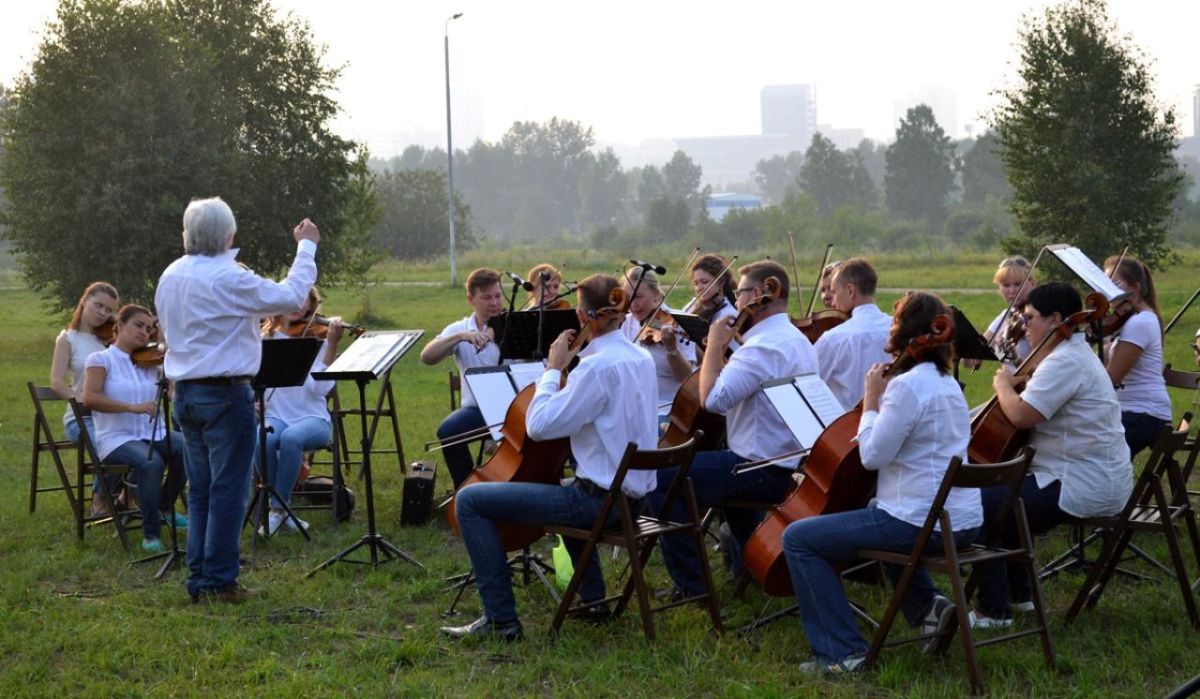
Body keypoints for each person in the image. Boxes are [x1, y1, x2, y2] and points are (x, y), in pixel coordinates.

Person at [440, 273, 658, 641]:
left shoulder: (595, 367)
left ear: (582, 314)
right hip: (635, 499)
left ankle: (500, 620)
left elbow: (539, 426)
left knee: (470, 500)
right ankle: (593, 600)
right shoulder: (640, 357)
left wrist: (553, 369)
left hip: (600, 504)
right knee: (564, 485)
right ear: (619, 311)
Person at [782, 292, 979, 674]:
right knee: (874, 509)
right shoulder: (946, 383)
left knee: (799, 539)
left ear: (905, 333)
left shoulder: (907, 387)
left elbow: (872, 456)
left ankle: (843, 653)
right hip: (964, 521)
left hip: (924, 523)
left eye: (895, 323)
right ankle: (928, 607)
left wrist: (871, 401)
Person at [156, 196, 319, 604]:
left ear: (187, 234)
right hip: (225, 393)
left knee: (201, 490)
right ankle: (218, 581)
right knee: (229, 489)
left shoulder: (171, 274)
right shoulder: (228, 277)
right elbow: (293, 296)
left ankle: (200, 576)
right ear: (229, 235)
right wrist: (307, 246)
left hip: (187, 393)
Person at [651, 260, 818, 597]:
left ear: (759, 294)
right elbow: (742, 385)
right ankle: (750, 567)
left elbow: (713, 401)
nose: (737, 300)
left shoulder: (761, 347)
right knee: (720, 473)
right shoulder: (795, 339)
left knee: (661, 479)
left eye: (740, 293)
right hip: (785, 462)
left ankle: (692, 586)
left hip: (760, 468)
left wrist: (713, 345)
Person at [971, 282, 1133, 627]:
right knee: (1007, 502)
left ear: (1056, 318)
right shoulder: (1067, 355)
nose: (1024, 326)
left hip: (1083, 481)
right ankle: (1020, 596)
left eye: (1030, 318)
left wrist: (1002, 384)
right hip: (1081, 473)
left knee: (980, 506)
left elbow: (1021, 415)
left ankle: (993, 610)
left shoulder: (1067, 361)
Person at [81, 304, 188, 552]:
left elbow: (171, 394)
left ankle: (163, 507)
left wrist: (169, 359)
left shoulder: (153, 361)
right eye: (138, 325)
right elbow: (90, 398)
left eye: (149, 328)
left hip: (154, 433)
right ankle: (151, 533)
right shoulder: (100, 359)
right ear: (119, 326)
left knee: (188, 448)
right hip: (116, 438)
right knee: (150, 462)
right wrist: (132, 407)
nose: (144, 332)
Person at [256, 287, 345, 535]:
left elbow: (321, 389)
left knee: (291, 438)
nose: (296, 303)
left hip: (313, 417)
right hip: (275, 415)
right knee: (260, 439)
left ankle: (277, 511)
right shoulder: (265, 339)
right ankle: (282, 512)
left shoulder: (318, 339)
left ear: (310, 306)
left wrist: (331, 346)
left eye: (303, 299)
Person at [420, 267, 506, 489]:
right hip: (478, 410)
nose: (495, 303)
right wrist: (459, 337)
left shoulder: (515, 323)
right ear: (471, 299)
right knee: (448, 431)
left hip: (519, 408)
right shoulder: (460, 328)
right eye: (487, 297)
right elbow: (427, 357)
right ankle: (468, 490)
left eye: (498, 295)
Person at [50, 281, 120, 515]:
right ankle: (101, 499)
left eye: (109, 310)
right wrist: (78, 398)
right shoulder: (67, 339)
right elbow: (57, 382)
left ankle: (131, 497)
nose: (103, 313)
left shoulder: (112, 339)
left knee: (141, 442)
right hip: (82, 418)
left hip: (113, 414)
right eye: (98, 305)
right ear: (84, 301)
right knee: (112, 446)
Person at [1102, 256, 1171, 458]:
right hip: (1135, 411)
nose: (1109, 290)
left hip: (1142, 415)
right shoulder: (1134, 321)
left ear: (1136, 287)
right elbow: (1112, 353)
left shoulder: (1139, 323)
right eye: (1106, 283)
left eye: (1116, 283)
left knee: (1087, 449)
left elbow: (1111, 379)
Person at [814, 257, 892, 411]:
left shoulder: (834, 339)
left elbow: (809, 383)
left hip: (847, 429)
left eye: (835, 292)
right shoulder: (898, 328)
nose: (833, 301)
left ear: (850, 290)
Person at [622, 267, 697, 422]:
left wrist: (672, 349)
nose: (633, 304)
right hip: (632, 407)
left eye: (638, 297)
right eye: (628, 298)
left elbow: (685, 378)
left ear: (656, 294)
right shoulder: (626, 323)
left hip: (667, 409)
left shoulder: (677, 323)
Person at [964, 256, 1037, 371]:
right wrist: (960, 347)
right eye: (1006, 285)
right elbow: (973, 361)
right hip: (1007, 385)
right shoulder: (1007, 315)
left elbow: (1042, 367)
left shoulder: (1038, 316)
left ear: (1032, 284)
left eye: (1018, 284)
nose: (1012, 291)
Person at [686, 253, 739, 360]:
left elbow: (726, 356)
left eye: (704, 282)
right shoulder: (693, 305)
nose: (699, 288)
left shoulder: (728, 314)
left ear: (720, 282)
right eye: (696, 283)